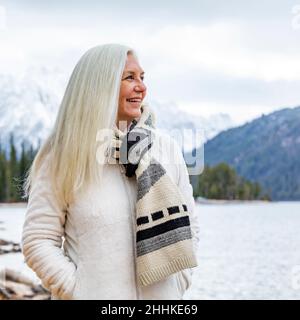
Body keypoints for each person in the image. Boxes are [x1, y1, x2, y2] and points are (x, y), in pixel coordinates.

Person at [21, 44, 200, 300]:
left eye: (142, 77)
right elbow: (37, 241)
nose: (141, 87)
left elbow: (190, 227)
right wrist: (79, 292)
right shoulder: (62, 157)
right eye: (129, 78)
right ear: (100, 86)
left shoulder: (165, 149)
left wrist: (178, 284)